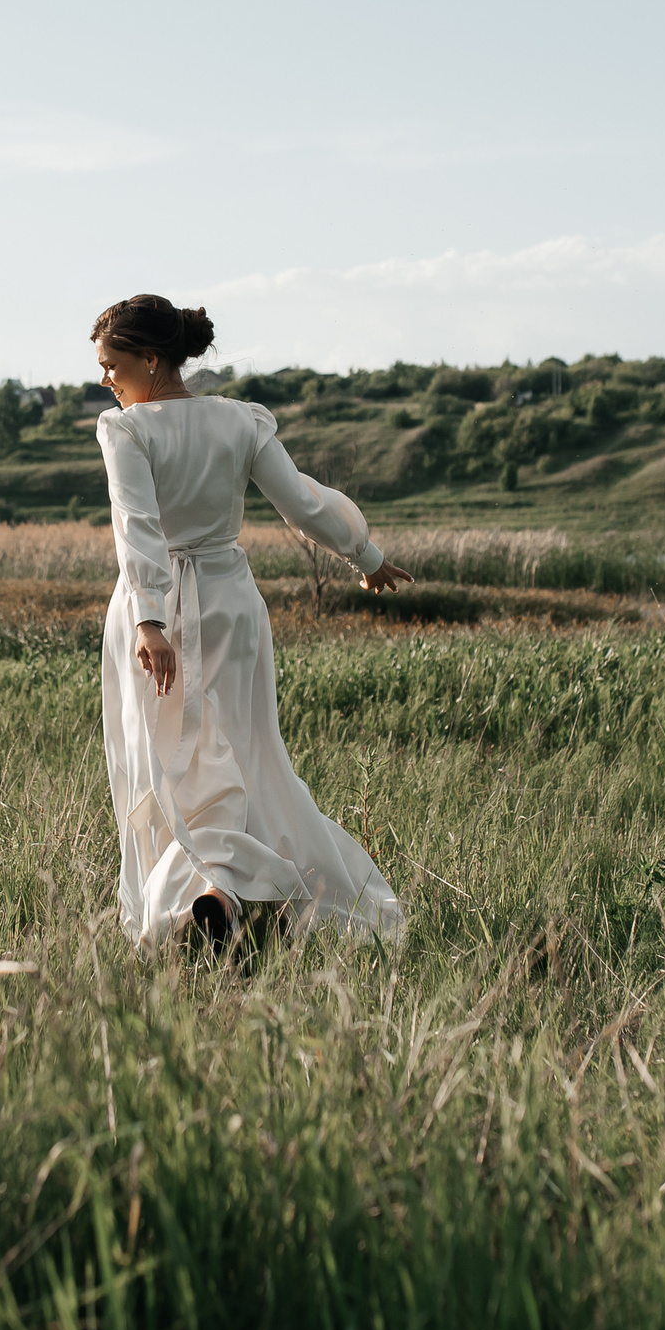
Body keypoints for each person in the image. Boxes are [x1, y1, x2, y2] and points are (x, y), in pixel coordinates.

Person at [91, 293, 411, 953]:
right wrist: (366, 553)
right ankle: (229, 896)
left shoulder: (127, 430)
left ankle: (213, 896)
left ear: (151, 359)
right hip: (232, 603)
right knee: (240, 754)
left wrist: (150, 618)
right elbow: (302, 502)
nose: (105, 379)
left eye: (111, 365)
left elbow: (139, 526)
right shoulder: (242, 421)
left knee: (173, 764)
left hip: (161, 613)